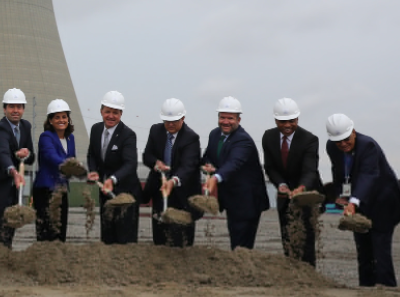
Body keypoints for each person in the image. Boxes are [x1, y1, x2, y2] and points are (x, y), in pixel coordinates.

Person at [325, 113, 400, 287]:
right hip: (359, 203)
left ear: (353, 131)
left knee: (380, 251)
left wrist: (353, 202)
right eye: (338, 141)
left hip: (383, 202)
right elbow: (338, 171)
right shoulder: (332, 147)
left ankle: (387, 290)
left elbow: (368, 175)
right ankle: (366, 290)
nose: (343, 144)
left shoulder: (368, 145)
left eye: (346, 139)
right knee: (363, 251)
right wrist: (341, 194)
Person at [261, 98, 322, 265]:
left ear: (298, 119)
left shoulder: (309, 139)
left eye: (291, 121)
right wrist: (281, 185)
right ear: (275, 120)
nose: (287, 125)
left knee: (306, 238)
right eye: (282, 121)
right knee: (287, 236)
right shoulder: (268, 137)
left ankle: (309, 274)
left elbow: (310, 171)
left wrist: (301, 189)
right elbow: (270, 167)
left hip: (306, 195)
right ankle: (292, 273)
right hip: (284, 195)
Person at [201, 96, 267, 250]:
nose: (225, 121)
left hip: (247, 201)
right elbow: (208, 156)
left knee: (241, 246)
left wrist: (216, 177)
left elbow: (233, 163)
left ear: (239, 119)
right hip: (231, 199)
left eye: (230, 118)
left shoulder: (243, 140)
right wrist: (208, 166)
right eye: (222, 117)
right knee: (234, 240)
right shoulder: (215, 135)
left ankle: (245, 272)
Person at [143, 98, 203, 247]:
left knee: (181, 240)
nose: (170, 124)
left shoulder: (191, 138)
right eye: (167, 121)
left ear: (183, 118)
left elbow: (188, 167)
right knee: (160, 239)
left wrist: (173, 181)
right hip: (160, 192)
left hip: (182, 195)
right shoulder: (155, 131)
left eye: (174, 121)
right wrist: (156, 165)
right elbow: (147, 156)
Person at [86, 91, 142, 244]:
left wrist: (112, 179)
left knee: (125, 237)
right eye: (107, 112)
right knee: (107, 234)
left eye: (115, 113)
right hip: (105, 192)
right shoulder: (96, 130)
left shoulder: (128, 135)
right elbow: (92, 154)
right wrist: (93, 171)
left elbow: (130, 164)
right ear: (101, 111)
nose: (111, 116)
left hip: (126, 193)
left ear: (121, 113)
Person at [0, 88, 35, 247]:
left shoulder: (26, 127)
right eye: (12, 107)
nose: (15, 110)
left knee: (11, 227)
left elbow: (31, 158)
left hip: (13, 188)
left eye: (19, 107)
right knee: (1, 227)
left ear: (23, 109)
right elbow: (2, 153)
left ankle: (6, 256)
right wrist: (13, 171)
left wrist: (26, 153)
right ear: (5, 109)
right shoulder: (0, 129)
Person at [32, 99, 77, 242]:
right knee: (46, 229)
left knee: (60, 229)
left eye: (64, 117)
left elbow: (72, 158)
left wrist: (77, 169)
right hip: (46, 190)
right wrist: (67, 165)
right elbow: (50, 155)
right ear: (50, 120)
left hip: (61, 189)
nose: (61, 120)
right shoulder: (46, 137)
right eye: (57, 117)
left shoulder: (71, 139)